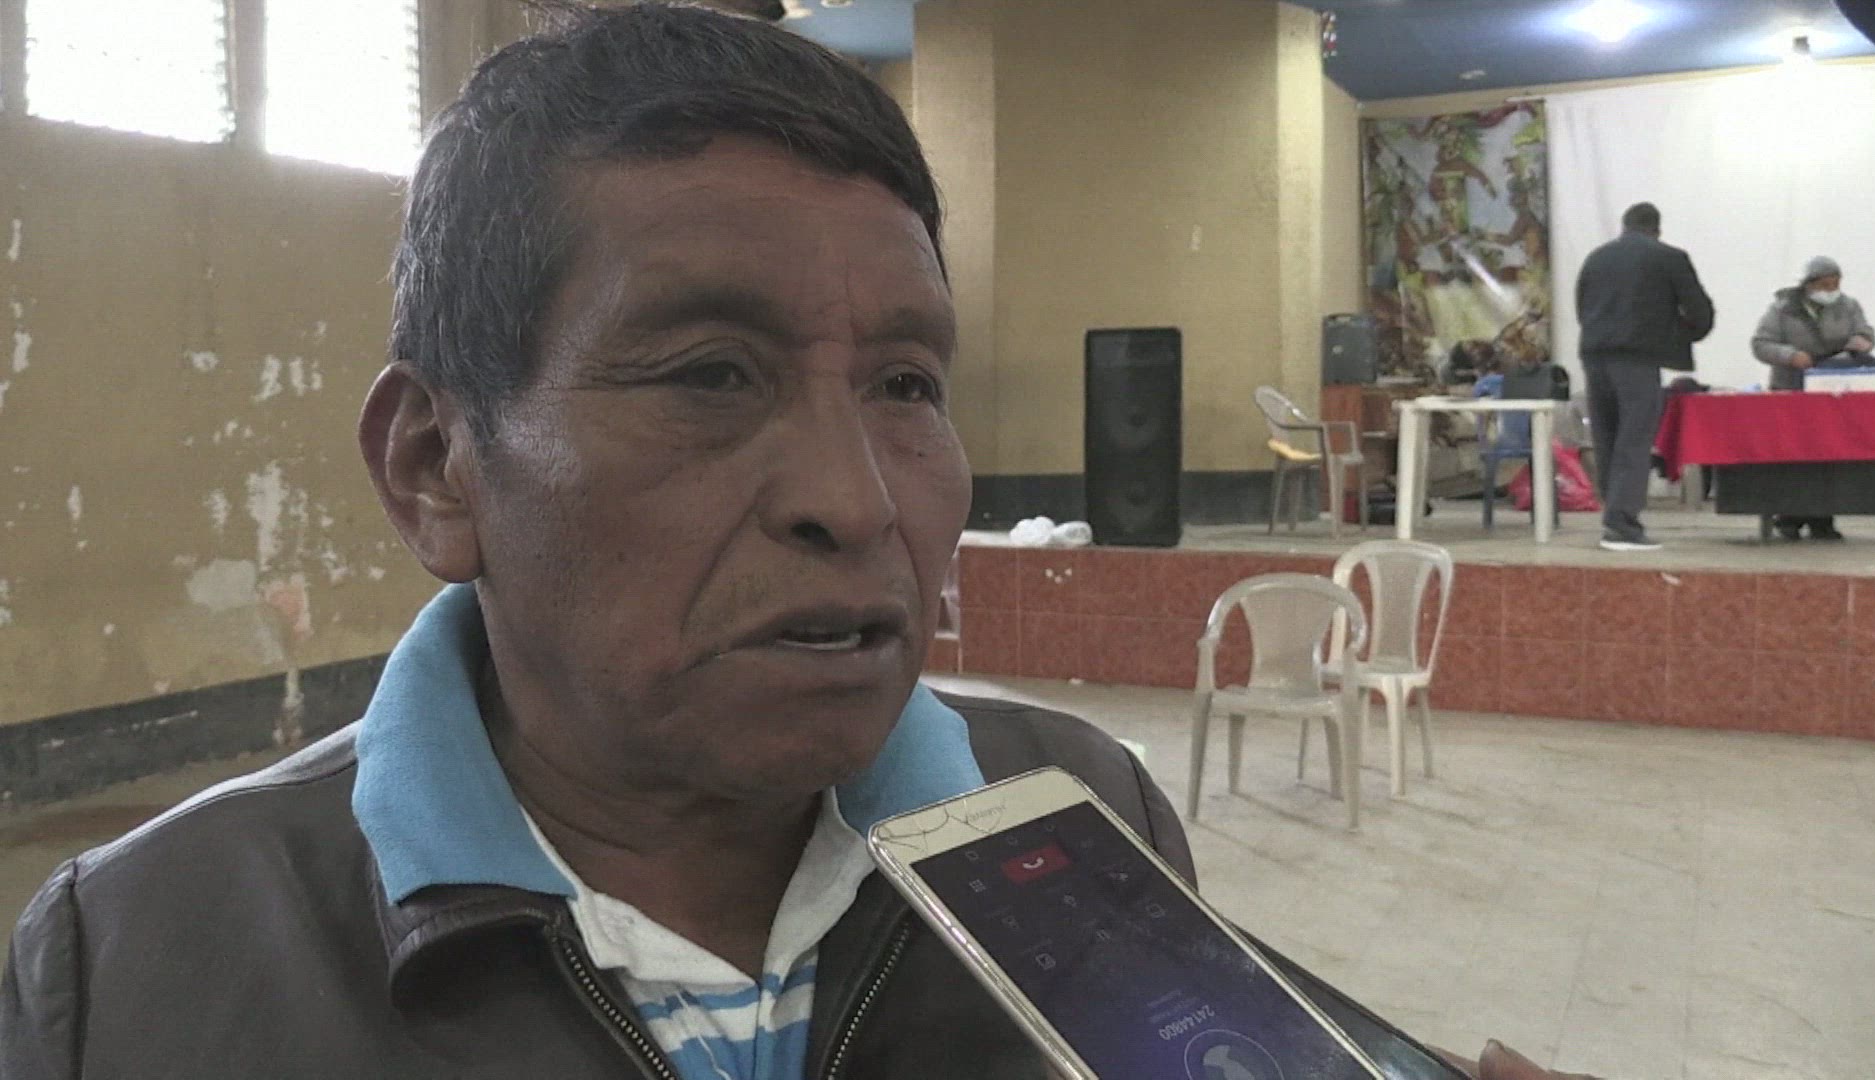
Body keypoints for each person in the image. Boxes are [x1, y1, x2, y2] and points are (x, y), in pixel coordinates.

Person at [0, 6, 1594, 1079]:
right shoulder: (133, 968)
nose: (858, 497)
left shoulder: (1076, 815)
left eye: (906, 385)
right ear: (434, 467)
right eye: (710, 376)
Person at [1575, 202, 1715, 553]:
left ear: (1624, 226)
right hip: (1637, 360)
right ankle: (1622, 526)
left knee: (1606, 439)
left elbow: (1582, 307)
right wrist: (1677, 335)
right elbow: (1701, 313)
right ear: (1656, 229)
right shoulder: (1670, 258)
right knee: (1634, 440)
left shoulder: (1596, 258)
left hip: (1594, 356)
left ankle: (1612, 516)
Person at [1751, 255, 1875, 541]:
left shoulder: (1848, 306)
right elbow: (1760, 344)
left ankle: (1823, 519)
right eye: (1825, 285)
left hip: (1833, 390)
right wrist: (1790, 355)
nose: (1831, 290)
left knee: (1828, 454)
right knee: (1794, 454)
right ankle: (1789, 518)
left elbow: (1866, 331)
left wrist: (1863, 341)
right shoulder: (1783, 309)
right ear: (1809, 284)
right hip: (1792, 388)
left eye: (1836, 284)